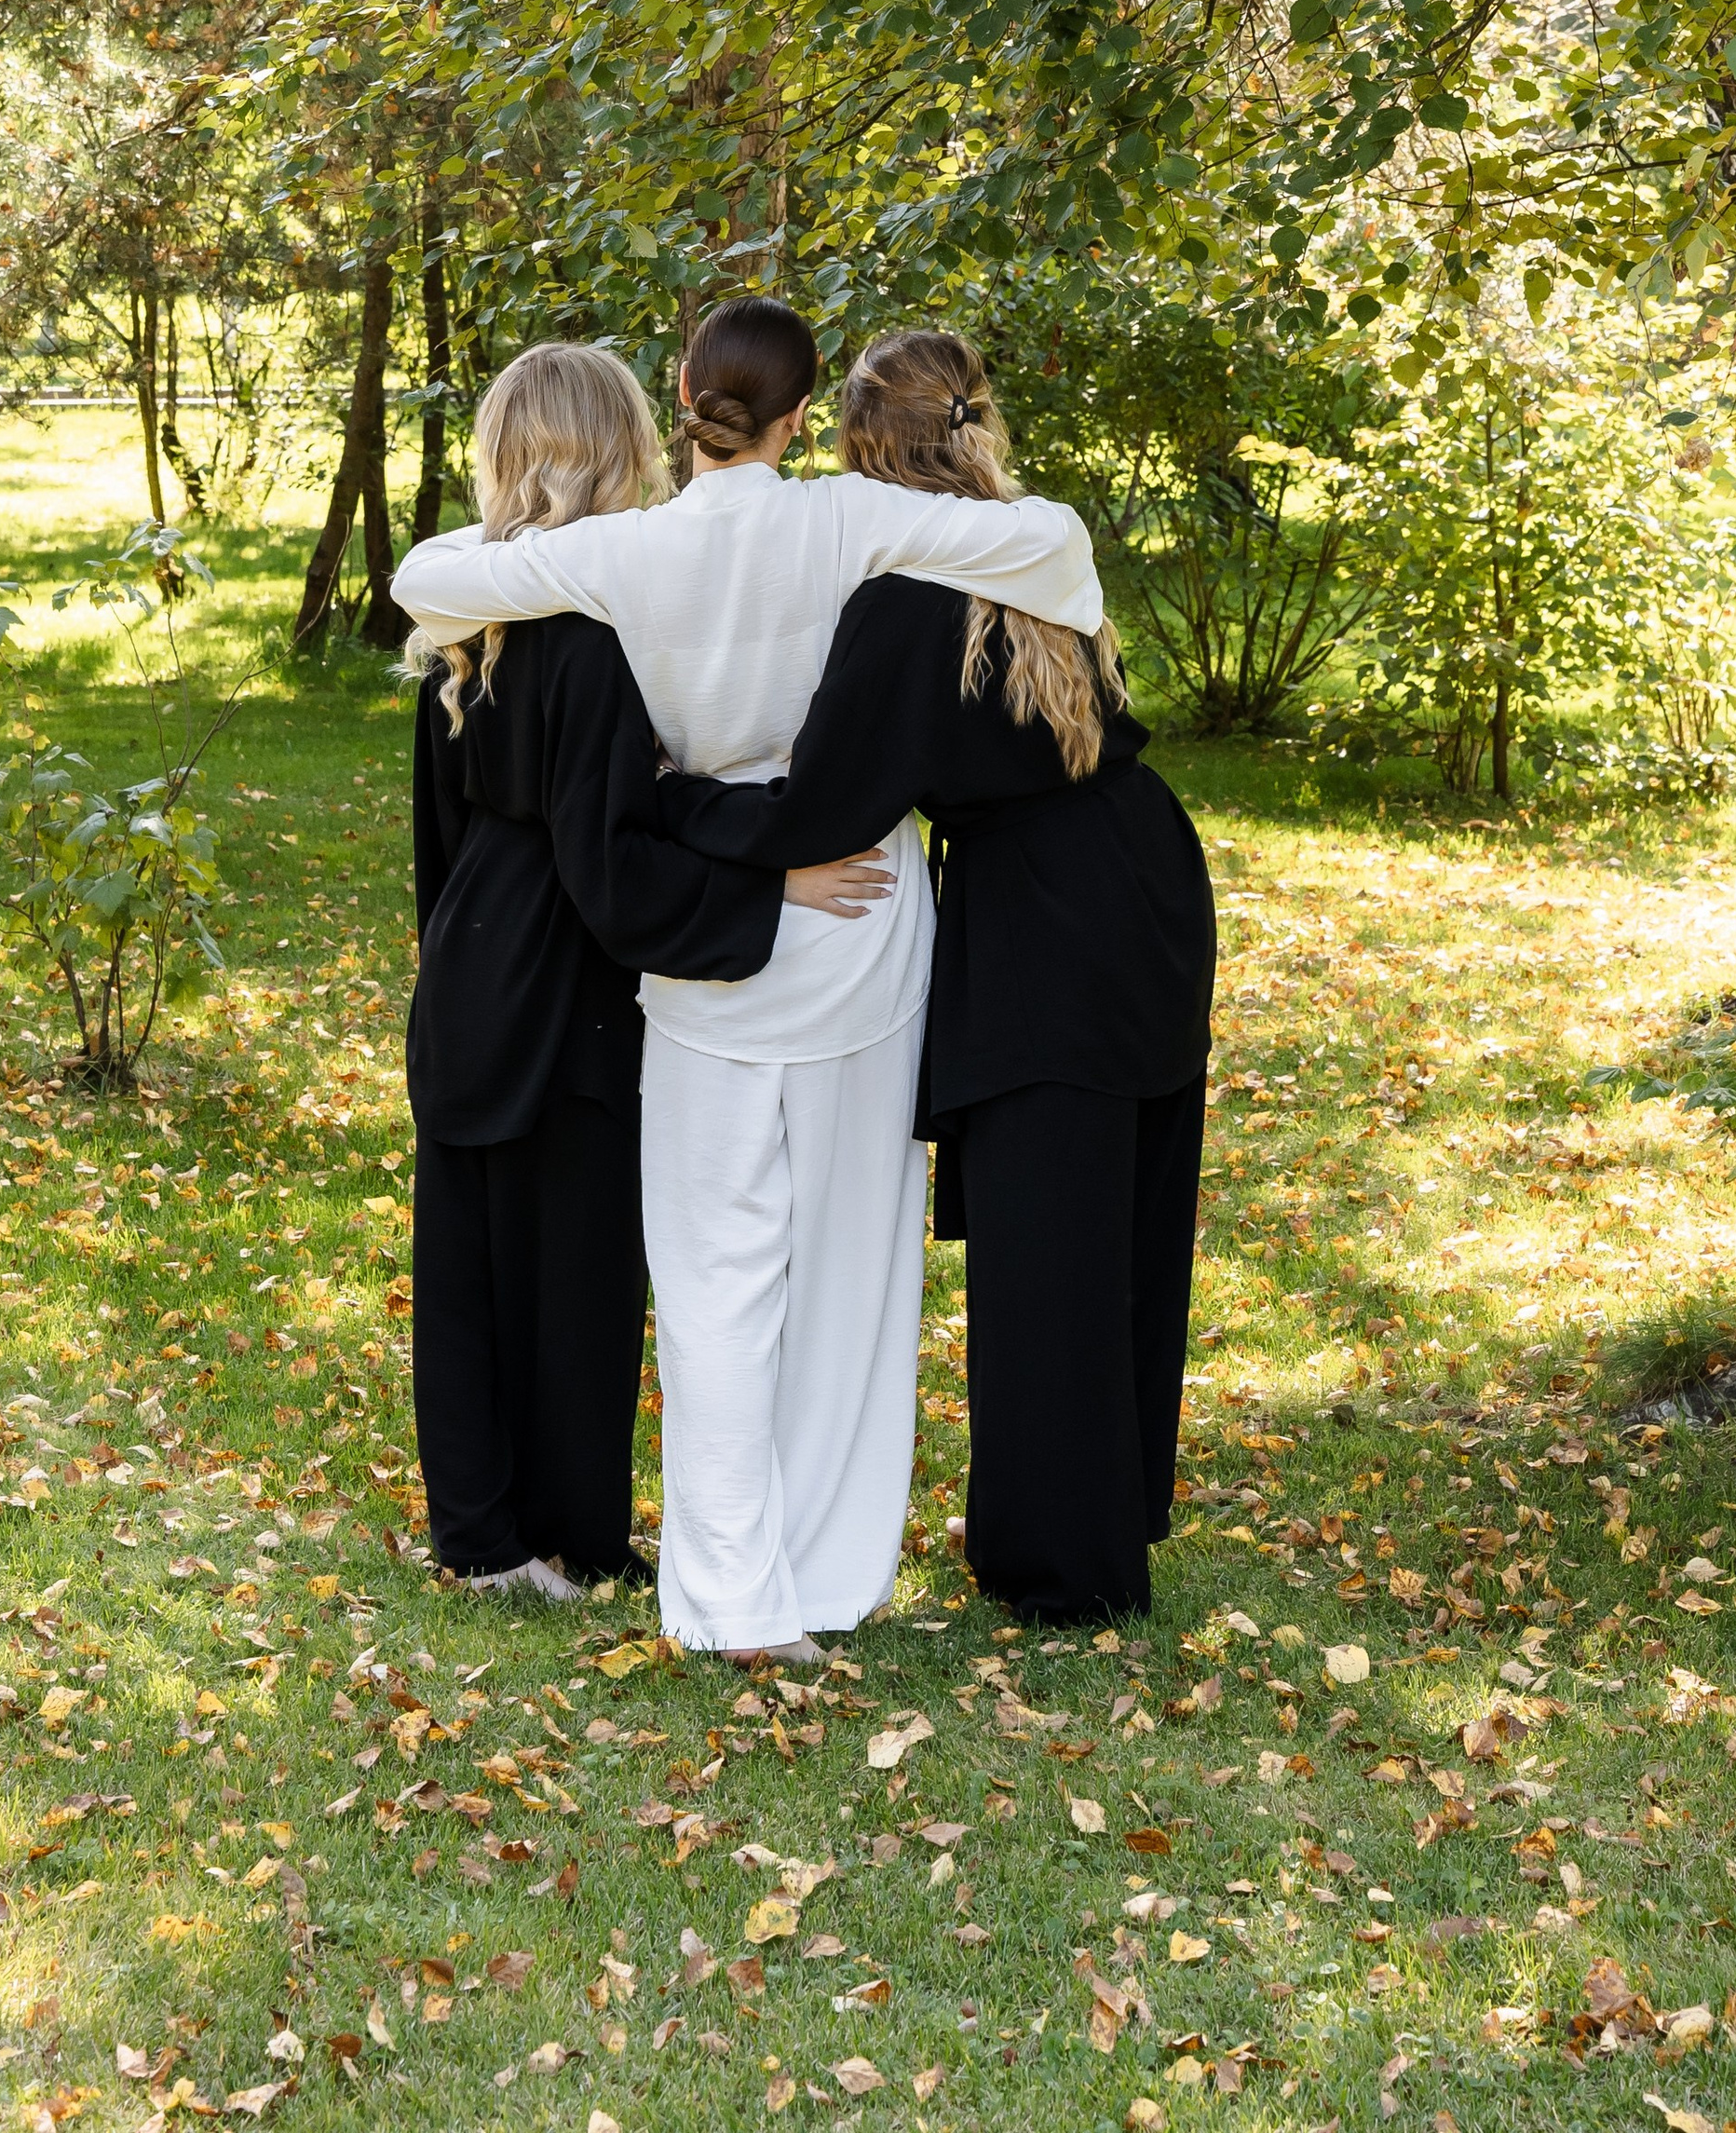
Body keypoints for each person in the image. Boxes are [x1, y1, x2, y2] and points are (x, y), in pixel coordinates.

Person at [393, 292, 1105, 1663]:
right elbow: (1058, 549)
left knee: (716, 1272)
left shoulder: (623, 553)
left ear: (685, 402)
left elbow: (429, 579)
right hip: (860, 911)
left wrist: (542, 534)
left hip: (706, 939)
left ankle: (727, 1604)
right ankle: (826, 1577)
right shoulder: (844, 517)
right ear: (798, 416)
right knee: (849, 1269)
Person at [653, 327, 1215, 1623]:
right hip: (1145, 868)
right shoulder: (1025, 542)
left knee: (1046, 1236)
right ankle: (1113, 1507)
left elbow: (824, 810)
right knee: (1124, 1212)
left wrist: (674, 802)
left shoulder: (904, 604)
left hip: (1041, 911)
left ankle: (1062, 1564)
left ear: (859, 451)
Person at [405, 339, 893, 1601]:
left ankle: (478, 1529)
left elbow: (441, 837)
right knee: (577, 1264)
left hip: (469, 956)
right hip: (569, 966)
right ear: (616, 443)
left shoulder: (467, 633)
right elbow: (618, 846)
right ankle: (567, 1532)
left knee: (467, 1259)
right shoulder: (592, 635)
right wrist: (765, 882)